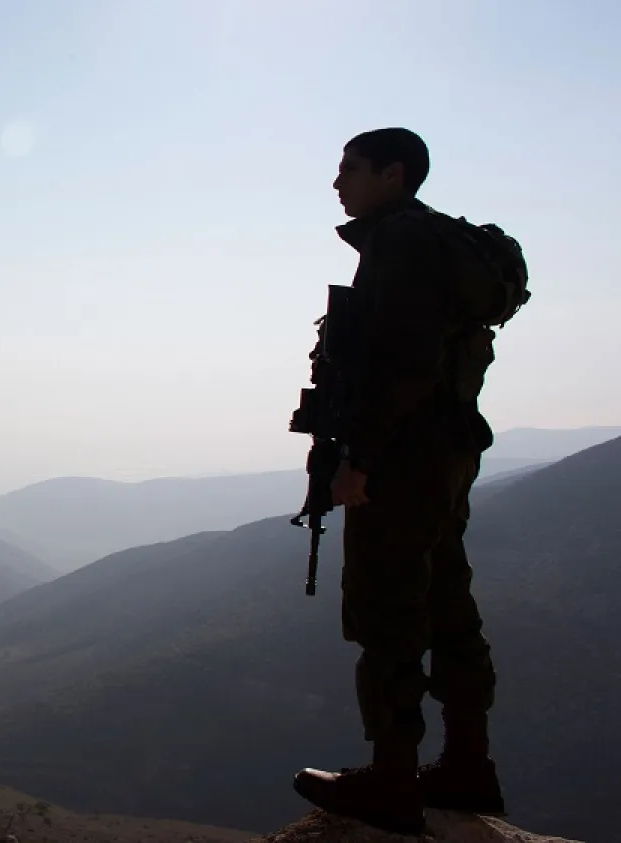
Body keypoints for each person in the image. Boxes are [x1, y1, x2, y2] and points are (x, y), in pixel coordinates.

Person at [291, 128, 505, 834]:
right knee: (446, 596)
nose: (336, 182)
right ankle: (467, 764)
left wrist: (360, 459)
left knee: (387, 609)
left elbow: (404, 365)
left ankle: (392, 778)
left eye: (348, 168)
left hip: (404, 460)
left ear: (394, 173)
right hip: (445, 453)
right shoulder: (437, 243)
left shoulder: (402, 243)